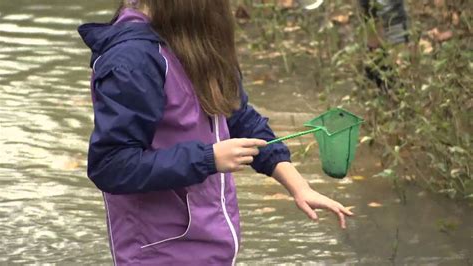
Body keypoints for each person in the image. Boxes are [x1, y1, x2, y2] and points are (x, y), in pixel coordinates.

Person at [78, 0, 353, 264]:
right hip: (158, 252)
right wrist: (208, 158)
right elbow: (111, 165)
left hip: (212, 243)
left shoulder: (195, 38)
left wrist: (298, 186)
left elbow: (239, 116)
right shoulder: (132, 61)